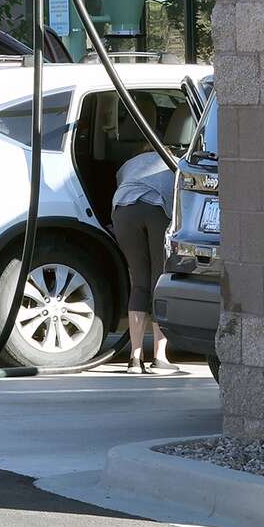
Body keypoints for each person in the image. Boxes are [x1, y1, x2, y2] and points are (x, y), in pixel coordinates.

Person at [112, 100, 178, 373]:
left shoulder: (130, 163)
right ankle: (160, 358)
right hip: (156, 210)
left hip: (123, 211)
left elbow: (120, 186)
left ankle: (134, 358)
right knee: (158, 283)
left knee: (139, 283)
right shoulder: (174, 162)